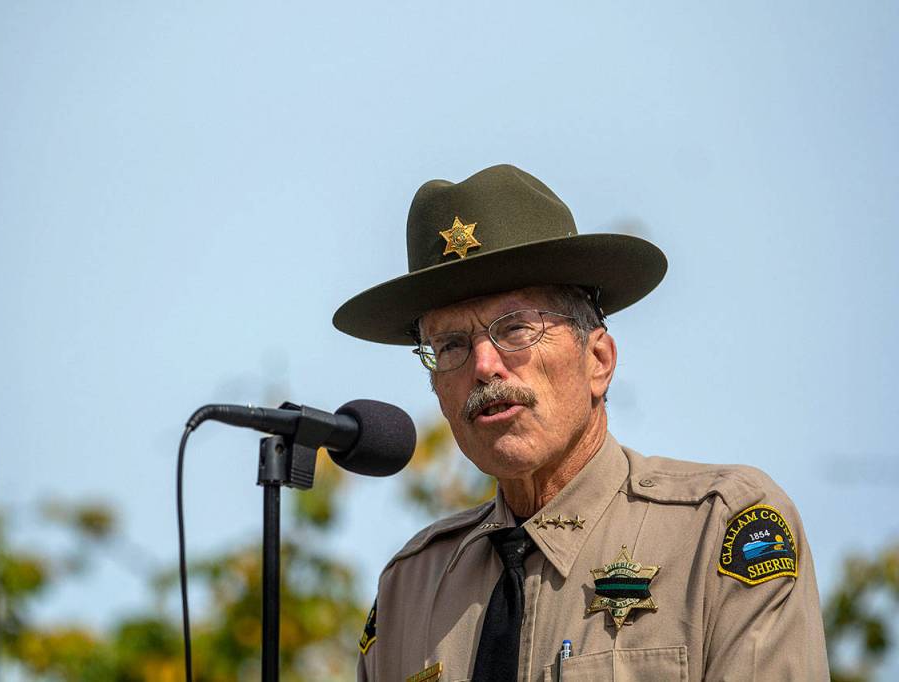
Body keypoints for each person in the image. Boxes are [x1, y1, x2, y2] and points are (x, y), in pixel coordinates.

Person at [332, 164, 829, 681]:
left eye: (516, 328)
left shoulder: (718, 530)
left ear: (598, 360)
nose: (484, 366)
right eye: (451, 345)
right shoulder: (410, 588)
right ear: (436, 389)